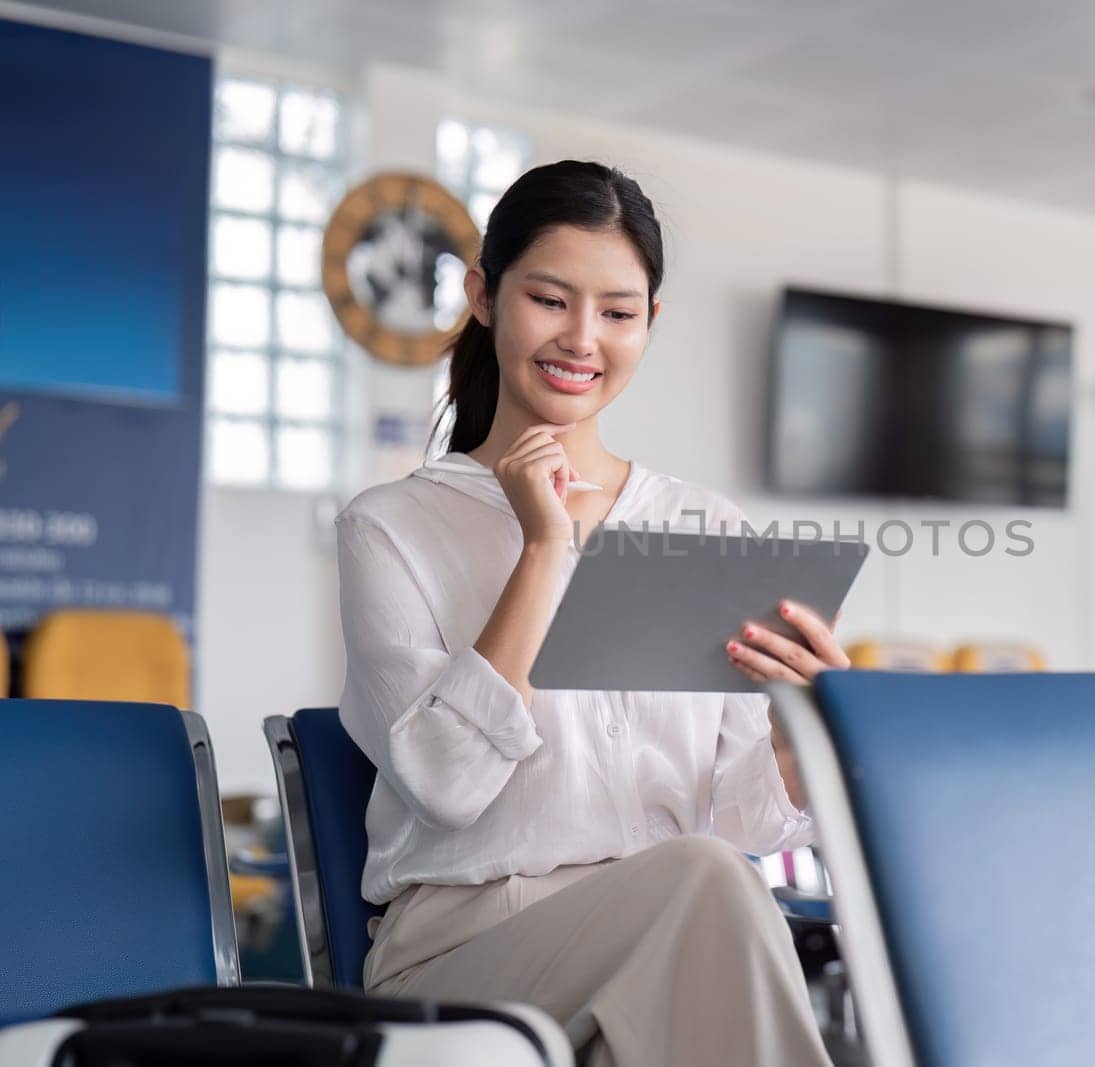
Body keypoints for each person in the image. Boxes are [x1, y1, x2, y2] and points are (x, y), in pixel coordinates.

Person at [334, 160, 848, 1066]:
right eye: (550, 299)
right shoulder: (392, 525)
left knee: (707, 885)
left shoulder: (706, 528)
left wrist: (799, 746)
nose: (583, 338)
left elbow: (732, 834)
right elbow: (446, 786)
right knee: (704, 887)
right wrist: (542, 548)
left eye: (617, 312)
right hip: (464, 959)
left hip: (676, 931)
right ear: (484, 297)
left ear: (650, 322)